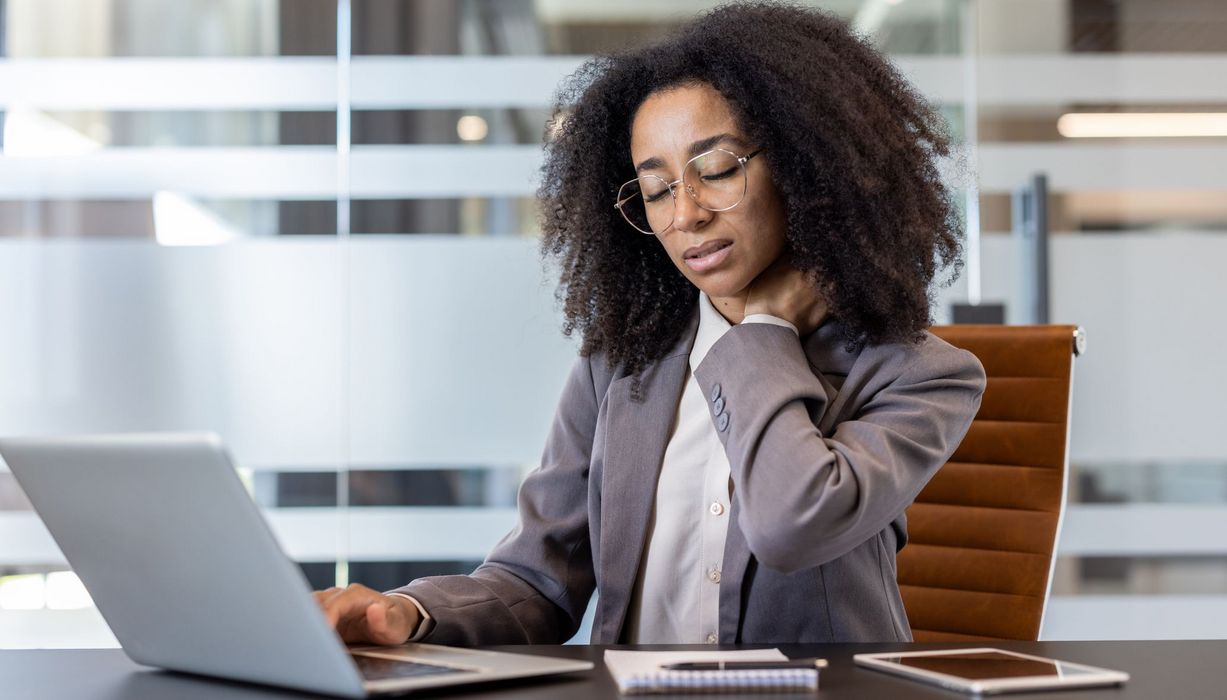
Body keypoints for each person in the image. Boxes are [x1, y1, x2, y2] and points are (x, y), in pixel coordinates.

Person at [315, 1, 986, 646]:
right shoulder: (621, 367)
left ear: (806, 166)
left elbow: (793, 524)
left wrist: (760, 334)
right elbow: (538, 580)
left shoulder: (918, 374)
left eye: (716, 170)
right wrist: (404, 611)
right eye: (657, 188)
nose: (685, 214)